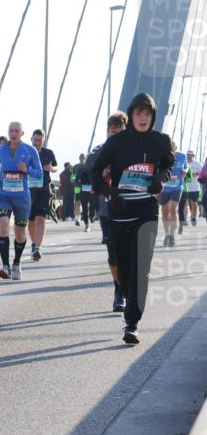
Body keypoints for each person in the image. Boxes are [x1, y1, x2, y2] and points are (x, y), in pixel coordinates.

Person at [89, 92, 174, 344]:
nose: (143, 118)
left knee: (141, 269)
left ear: (153, 116)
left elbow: (168, 164)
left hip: (147, 212)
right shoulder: (116, 143)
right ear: (132, 115)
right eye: (139, 113)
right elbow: (93, 171)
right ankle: (127, 300)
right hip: (120, 212)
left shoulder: (160, 141)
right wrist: (109, 193)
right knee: (124, 269)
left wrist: (160, 179)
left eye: (148, 114)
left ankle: (131, 323)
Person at [88, 111, 129, 312]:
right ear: (107, 131)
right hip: (107, 209)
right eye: (112, 131)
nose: (115, 135)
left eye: (119, 131)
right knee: (113, 255)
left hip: (132, 205)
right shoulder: (98, 151)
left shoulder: (134, 150)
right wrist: (101, 172)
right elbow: (90, 171)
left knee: (130, 254)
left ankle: (130, 287)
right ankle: (119, 290)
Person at [0, 122, 42, 280]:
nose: (13, 134)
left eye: (16, 131)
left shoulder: (30, 150)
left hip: (22, 197)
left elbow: (39, 173)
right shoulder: (1, 150)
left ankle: (16, 263)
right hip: (4, 195)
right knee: (4, 225)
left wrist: (27, 170)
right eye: (11, 131)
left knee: (20, 233)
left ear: (22, 133)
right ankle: (5, 266)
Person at [28, 128, 57, 259]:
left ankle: (38, 247)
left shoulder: (48, 153)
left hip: (44, 188)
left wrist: (51, 168)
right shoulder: (25, 151)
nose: (38, 142)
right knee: (31, 219)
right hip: (29, 189)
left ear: (43, 140)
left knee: (40, 218)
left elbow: (56, 167)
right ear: (31, 139)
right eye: (36, 139)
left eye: (40, 140)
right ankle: (33, 243)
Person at [159, 141, 187, 247]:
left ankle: (172, 235)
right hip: (164, 188)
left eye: (173, 146)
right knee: (164, 212)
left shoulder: (182, 156)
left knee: (173, 209)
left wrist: (185, 171)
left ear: (176, 147)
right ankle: (167, 234)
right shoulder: (161, 157)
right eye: (169, 146)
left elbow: (186, 167)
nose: (171, 148)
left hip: (177, 187)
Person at [186, 150, 201, 225]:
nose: (188, 156)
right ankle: (191, 215)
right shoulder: (185, 163)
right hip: (186, 187)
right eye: (187, 154)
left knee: (193, 202)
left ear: (193, 156)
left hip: (195, 187)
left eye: (190, 155)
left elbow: (202, 172)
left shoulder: (197, 163)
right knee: (189, 203)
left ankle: (193, 217)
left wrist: (196, 174)